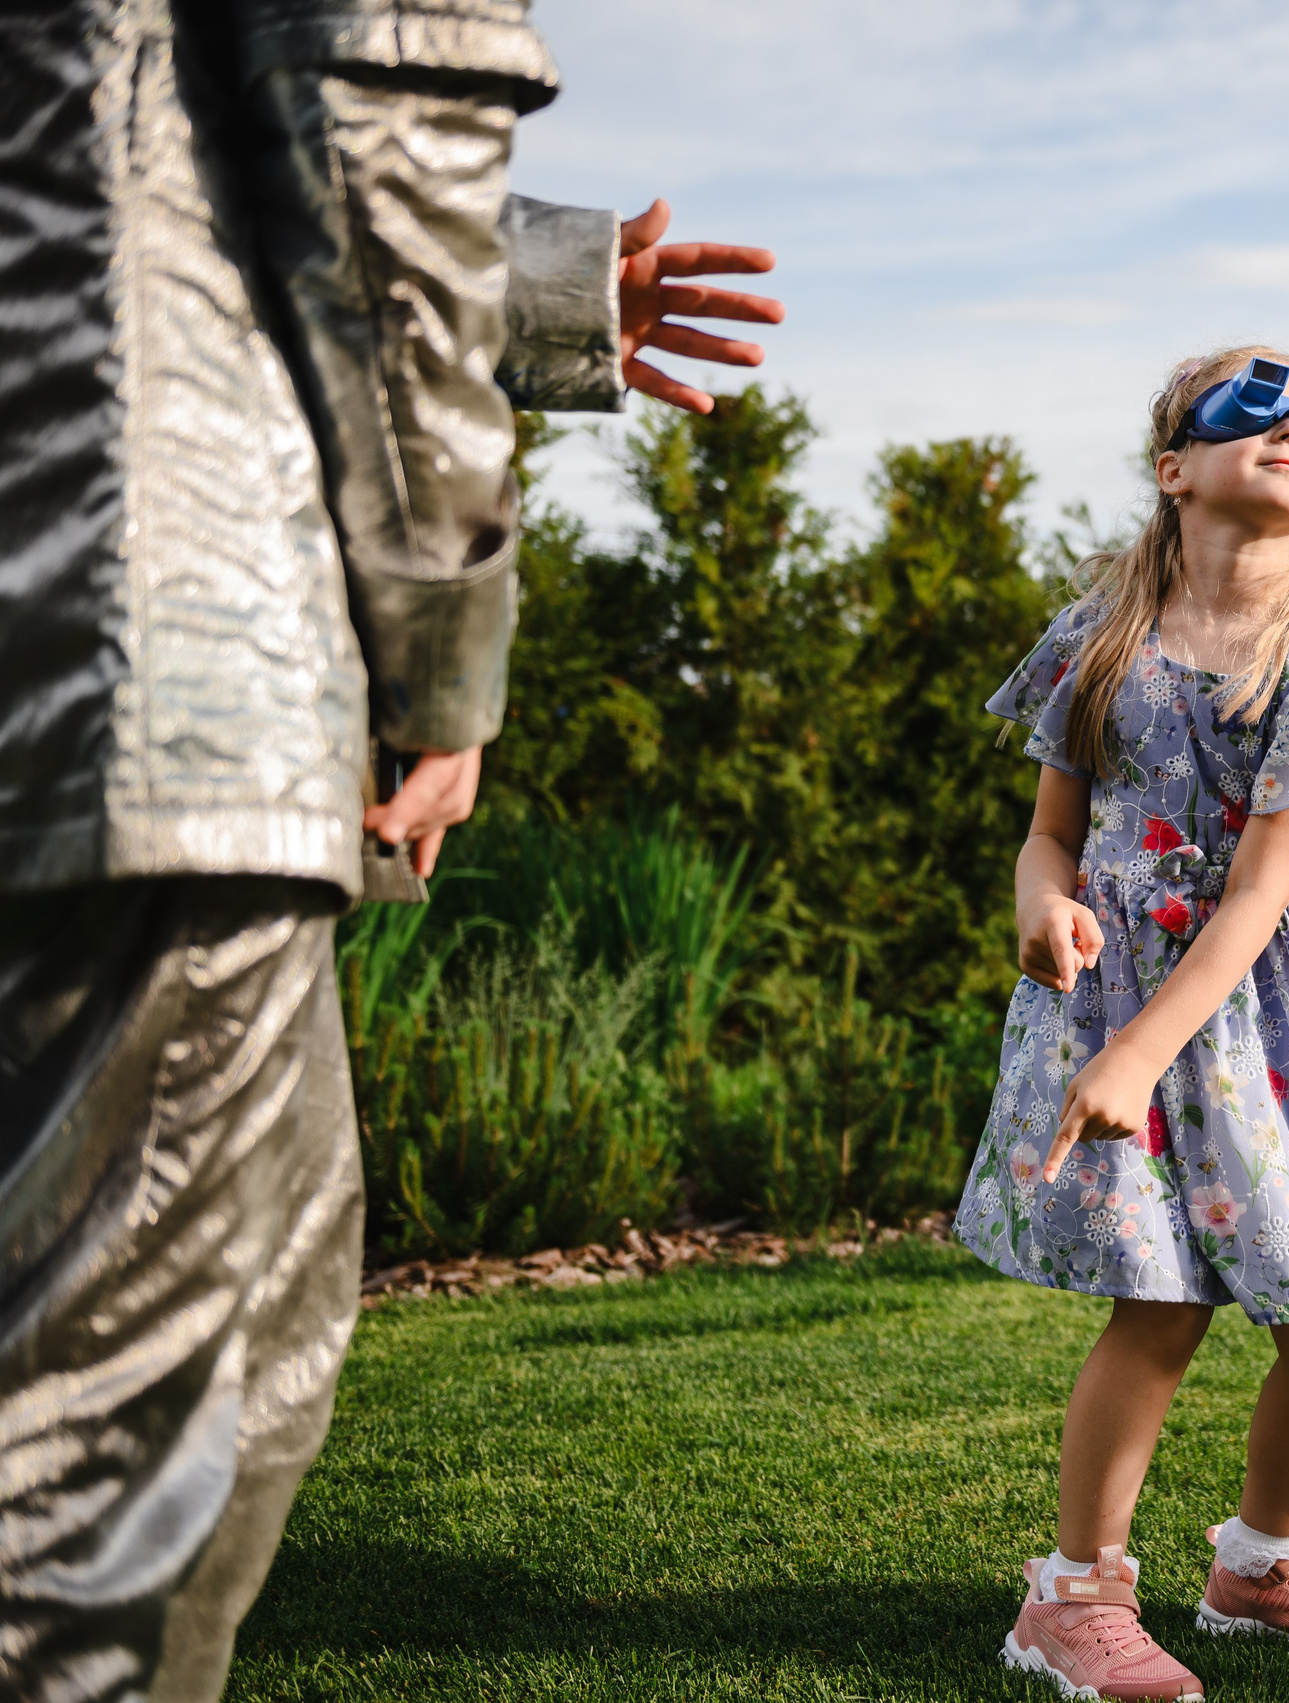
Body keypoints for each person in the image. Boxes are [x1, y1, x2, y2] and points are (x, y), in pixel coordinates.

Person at [0, 2, 781, 1696]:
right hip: (136, 652)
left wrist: (553, 289)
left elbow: (129, 142)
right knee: (106, 1509)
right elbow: (373, 155)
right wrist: (438, 661)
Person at [957, 347, 1289, 1701]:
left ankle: (1264, 1561)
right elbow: (1048, 837)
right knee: (1159, 1303)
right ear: (1175, 469)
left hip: (1271, 1018)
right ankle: (1072, 1596)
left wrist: (1143, 1051)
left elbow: (1257, 897)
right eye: (1257, 413)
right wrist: (1039, 907)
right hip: (1115, 995)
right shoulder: (1095, 642)